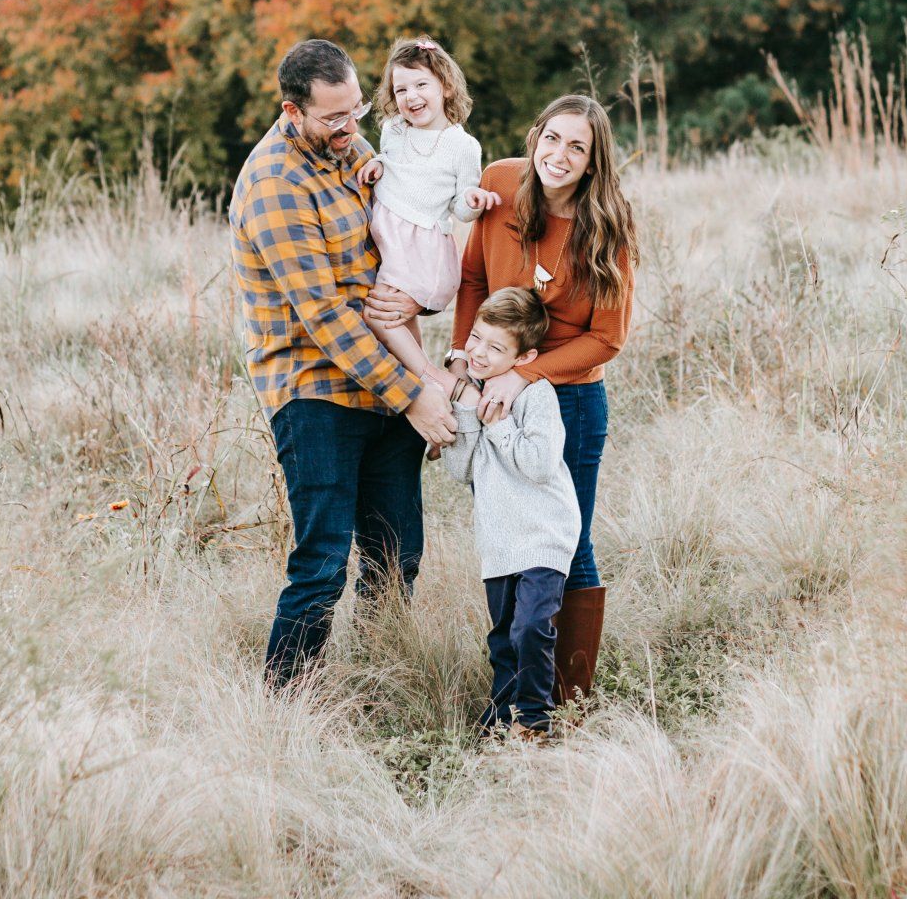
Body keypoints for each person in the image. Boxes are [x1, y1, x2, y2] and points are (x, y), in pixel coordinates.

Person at [368, 94, 636, 705]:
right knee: (508, 539)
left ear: (594, 163)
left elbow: (608, 337)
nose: (559, 156)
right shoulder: (499, 184)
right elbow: (473, 279)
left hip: (567, 402)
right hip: (490, 390)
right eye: (552, 138)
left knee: (567, 542)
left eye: (578, 147)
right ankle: (519, 687)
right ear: (535, 136)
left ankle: (564, 699)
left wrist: (528, 374)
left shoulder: (607, 225)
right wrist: (462, 359)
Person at [230, 38, 457, 686]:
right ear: (292, 111)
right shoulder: (274, 184)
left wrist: (422, 354)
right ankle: (283, 708)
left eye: (356, 110)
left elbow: (404, 254)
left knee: (396, 557)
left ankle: (383, 688)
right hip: (314, 391)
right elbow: (324, 317)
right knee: (323, 564)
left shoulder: (354, 151)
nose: (350, 128)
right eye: (333, 117)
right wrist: (416, 394)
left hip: (384, 384)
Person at [438, 286, 581, 743]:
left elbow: (539, 464)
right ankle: (501, 720)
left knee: (532, 626)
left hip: (543, 533)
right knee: (503, 637)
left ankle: (534, 721)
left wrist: (496, 424)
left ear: (525, 357)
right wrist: (465, 413)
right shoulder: (470, 397)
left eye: (496, 347)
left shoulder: (535, 395)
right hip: (498, 540)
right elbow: (460, 471)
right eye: (476, 338)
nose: (479, 352)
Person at [355, 37, 500, 387]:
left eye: (421, 85)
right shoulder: (393, 130)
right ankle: (419, 388)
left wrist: (474, 200)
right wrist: (377, 163)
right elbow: (392, 165)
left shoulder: (461, 145)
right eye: (401, 89)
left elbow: (460, 206)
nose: (411, 97)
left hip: (420, 247)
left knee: (380, 315)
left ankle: (431, 379)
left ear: (446, 87)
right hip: (387, 239)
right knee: (398, 320)